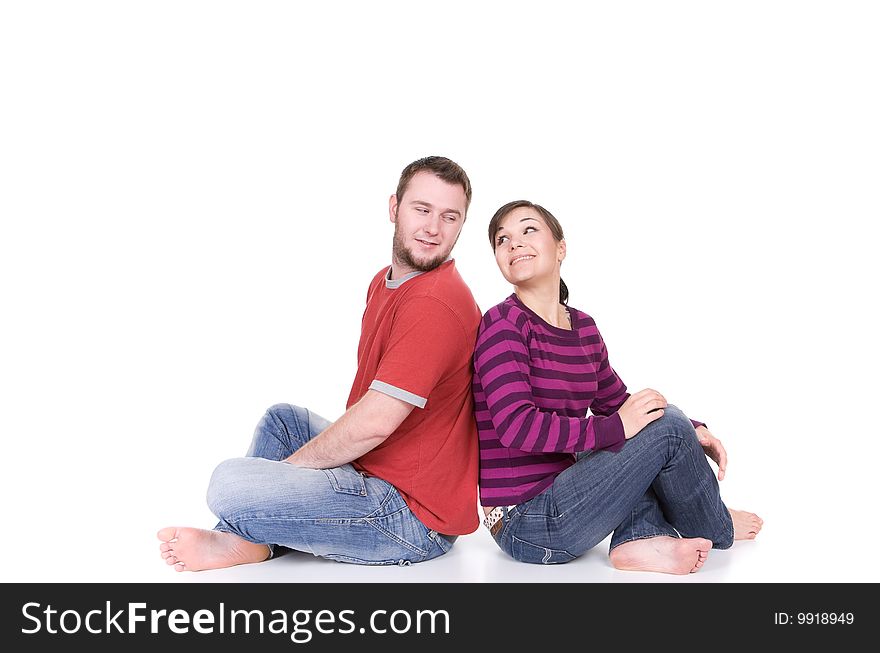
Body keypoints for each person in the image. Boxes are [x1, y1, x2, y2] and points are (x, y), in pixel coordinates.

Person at [158, 156, 482, 570]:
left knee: (229, 484)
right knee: (283, 421)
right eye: (422, 209)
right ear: (394, 208)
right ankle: (246, 538)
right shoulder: (388, 281)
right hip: (376, 469)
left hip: (411, 518)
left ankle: (241, 537)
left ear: (460, 225)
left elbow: (375, 422)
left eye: (449, 217)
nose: (433, 228)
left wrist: (285, 477)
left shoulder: (434, 303)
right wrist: (288, 480)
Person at [473, 200, 762, 573]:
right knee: (662, 427)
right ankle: (717, 523)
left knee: (659, 425)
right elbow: (517, 426)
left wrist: (696, 430)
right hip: (524, 520)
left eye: (528, 230)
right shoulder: (502, 325)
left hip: (565, 491)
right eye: (502, 239)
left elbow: (617, 404)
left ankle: (637, 539)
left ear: (561, 247)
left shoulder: (584, 328)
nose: (514, 244)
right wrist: (627, 427)